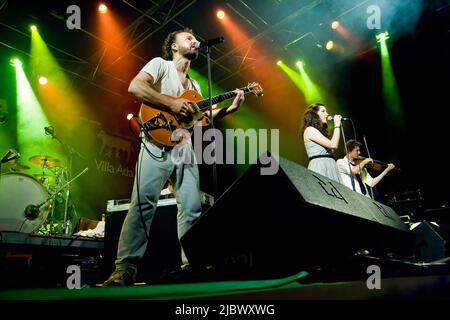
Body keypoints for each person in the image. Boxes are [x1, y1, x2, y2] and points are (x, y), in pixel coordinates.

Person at [103, 28, 245, 286]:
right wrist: (170, 103)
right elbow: (135, 87)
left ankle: (191, 265)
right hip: (154, 143)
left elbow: (203, 118)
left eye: (195, 37)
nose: (195, 41)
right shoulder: (160, 65)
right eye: (188, 38)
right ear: (174, 46)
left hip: (183, 147)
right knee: (143, 204)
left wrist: (230, 109)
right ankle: (125, 269)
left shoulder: (195, 85)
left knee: (191, 207)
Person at [301, 103, 342, 182]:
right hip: (320, 166)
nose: (327, 114)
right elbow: (333, 144)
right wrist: (337, 125)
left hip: (330, 165)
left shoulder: (319, 132)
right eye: (323, 111)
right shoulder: (310, 130)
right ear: (315, 115)